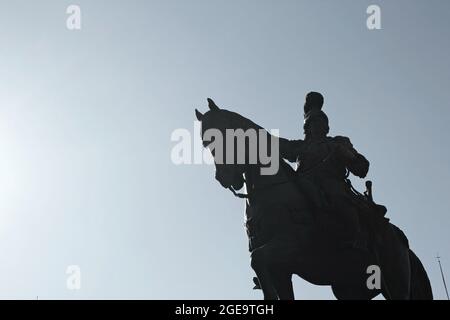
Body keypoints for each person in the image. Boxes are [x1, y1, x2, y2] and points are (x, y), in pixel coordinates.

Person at [278, 92, 370, 248]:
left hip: (333, 189)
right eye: (314, 122)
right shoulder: (299, 147)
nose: (318, 126)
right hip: (304, 190)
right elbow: (277, 145)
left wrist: (349, 156)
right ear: (307, 127)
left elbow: (362, 168)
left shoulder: (338, 142)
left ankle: (352, 246)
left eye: (321, 122)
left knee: (345, 212)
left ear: (327, 126)